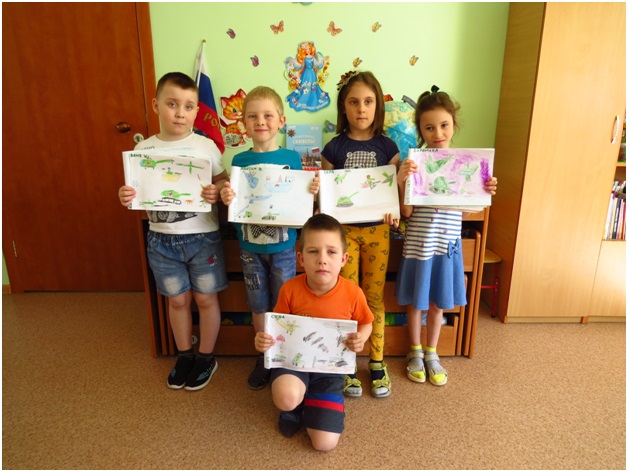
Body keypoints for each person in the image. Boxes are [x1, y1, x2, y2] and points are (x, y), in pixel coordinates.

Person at [118, 72, 229, 391]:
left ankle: (206, 357)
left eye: (188, 106)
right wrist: (125, 195)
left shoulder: (205, 146)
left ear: (196, 111)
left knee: (205, 298)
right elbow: (135, 191)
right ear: (156, 105)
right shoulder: (144, 150)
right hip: (161, 239)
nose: (180, 113)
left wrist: (217, 190)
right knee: (177, 300)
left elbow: (222, 181)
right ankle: (185, 355)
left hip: (202, 238)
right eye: (172, 104)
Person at [395, 85, 498, 386]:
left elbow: (468, 210)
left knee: (438, 303)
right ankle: (415, 352)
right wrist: (402, 182)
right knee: (417, 302)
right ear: (420, 130)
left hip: (446, 245)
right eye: (429, 127)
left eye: (444, 125)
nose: (437, 133)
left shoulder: (466, 165)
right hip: (419, 245)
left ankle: (432, 353)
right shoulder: (415, 163)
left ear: (454, 124)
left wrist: (484, 189)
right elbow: (406, 213)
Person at [220, 86, 320, 390]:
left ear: (281, 121)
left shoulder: (292, 157)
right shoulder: (239, 160)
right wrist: (227, 196)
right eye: (252, 116)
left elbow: (302, 200)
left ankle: (283, 356)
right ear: (244, 124)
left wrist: (312, 190)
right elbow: (234, 198)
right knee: (258, 304)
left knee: (283, 303)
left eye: (267, 115)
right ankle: (264, 355)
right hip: (249, 248)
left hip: (284, 247)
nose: (260, 121)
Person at [254, 213, 373, 452]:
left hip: (330, 371)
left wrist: (361, 337)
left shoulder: (353, 293)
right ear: (300, 258)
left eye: (331, 252)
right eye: (313, 251)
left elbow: (366, 323)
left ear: (344, 259)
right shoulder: (289, 289)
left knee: (324, 444)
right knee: (286, 398)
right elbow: (278, 327)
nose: (322, 260)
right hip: (293, 364)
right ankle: (297, 405)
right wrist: (264, 340)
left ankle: (313, 402)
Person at [320, 70, 399, 399]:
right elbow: (325, 195)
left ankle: (377, 362)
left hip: (378, 232)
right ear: (344, 107)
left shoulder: (388, 147)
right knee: (347, 299)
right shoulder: (334, 147)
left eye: (368, 101)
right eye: (353, 102)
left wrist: (395, 208)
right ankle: (347, 364)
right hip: (344, 235)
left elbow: (396, 193)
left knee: (374, 299)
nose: (361, 108)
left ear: (377, 105)